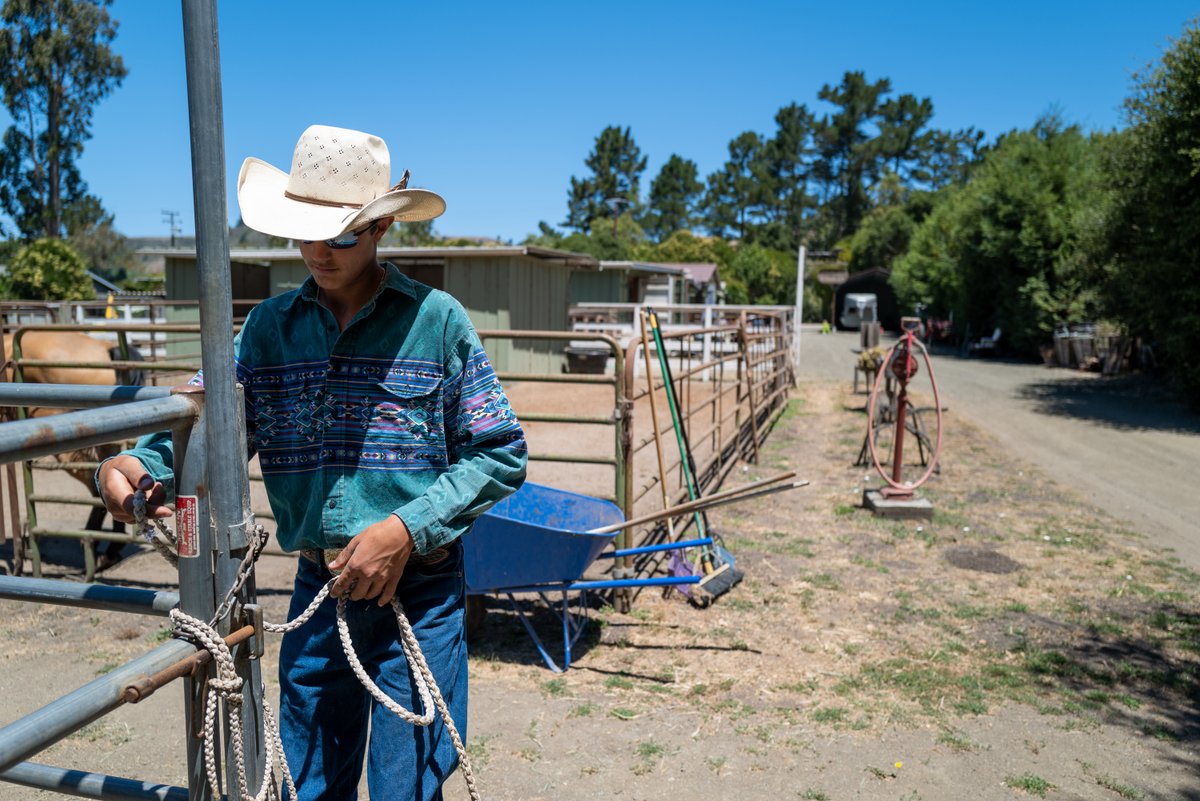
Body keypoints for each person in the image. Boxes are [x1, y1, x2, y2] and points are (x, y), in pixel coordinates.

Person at [97, 124, 527, 801]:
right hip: (317, 591)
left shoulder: (437, 322)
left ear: (381, 228)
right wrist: (137, 458)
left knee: (405, 789)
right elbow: (211, 426)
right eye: (305, 230)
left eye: (343, 234)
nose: (319, 251)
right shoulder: (267, 330)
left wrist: (404, 531)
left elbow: (499, 450)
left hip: (416, 591)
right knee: (303, 784)